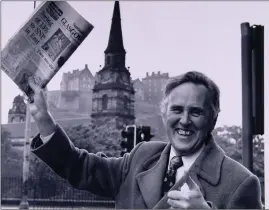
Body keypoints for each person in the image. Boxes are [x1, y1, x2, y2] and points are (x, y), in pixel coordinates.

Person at [29, 71, 262, 209]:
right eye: (177, 110)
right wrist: (44, 120)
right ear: (164, 114)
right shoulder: (142, 155)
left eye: (196, 112)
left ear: (212, 118)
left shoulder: (241, 183)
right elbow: (80, 167)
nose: (184, 120)